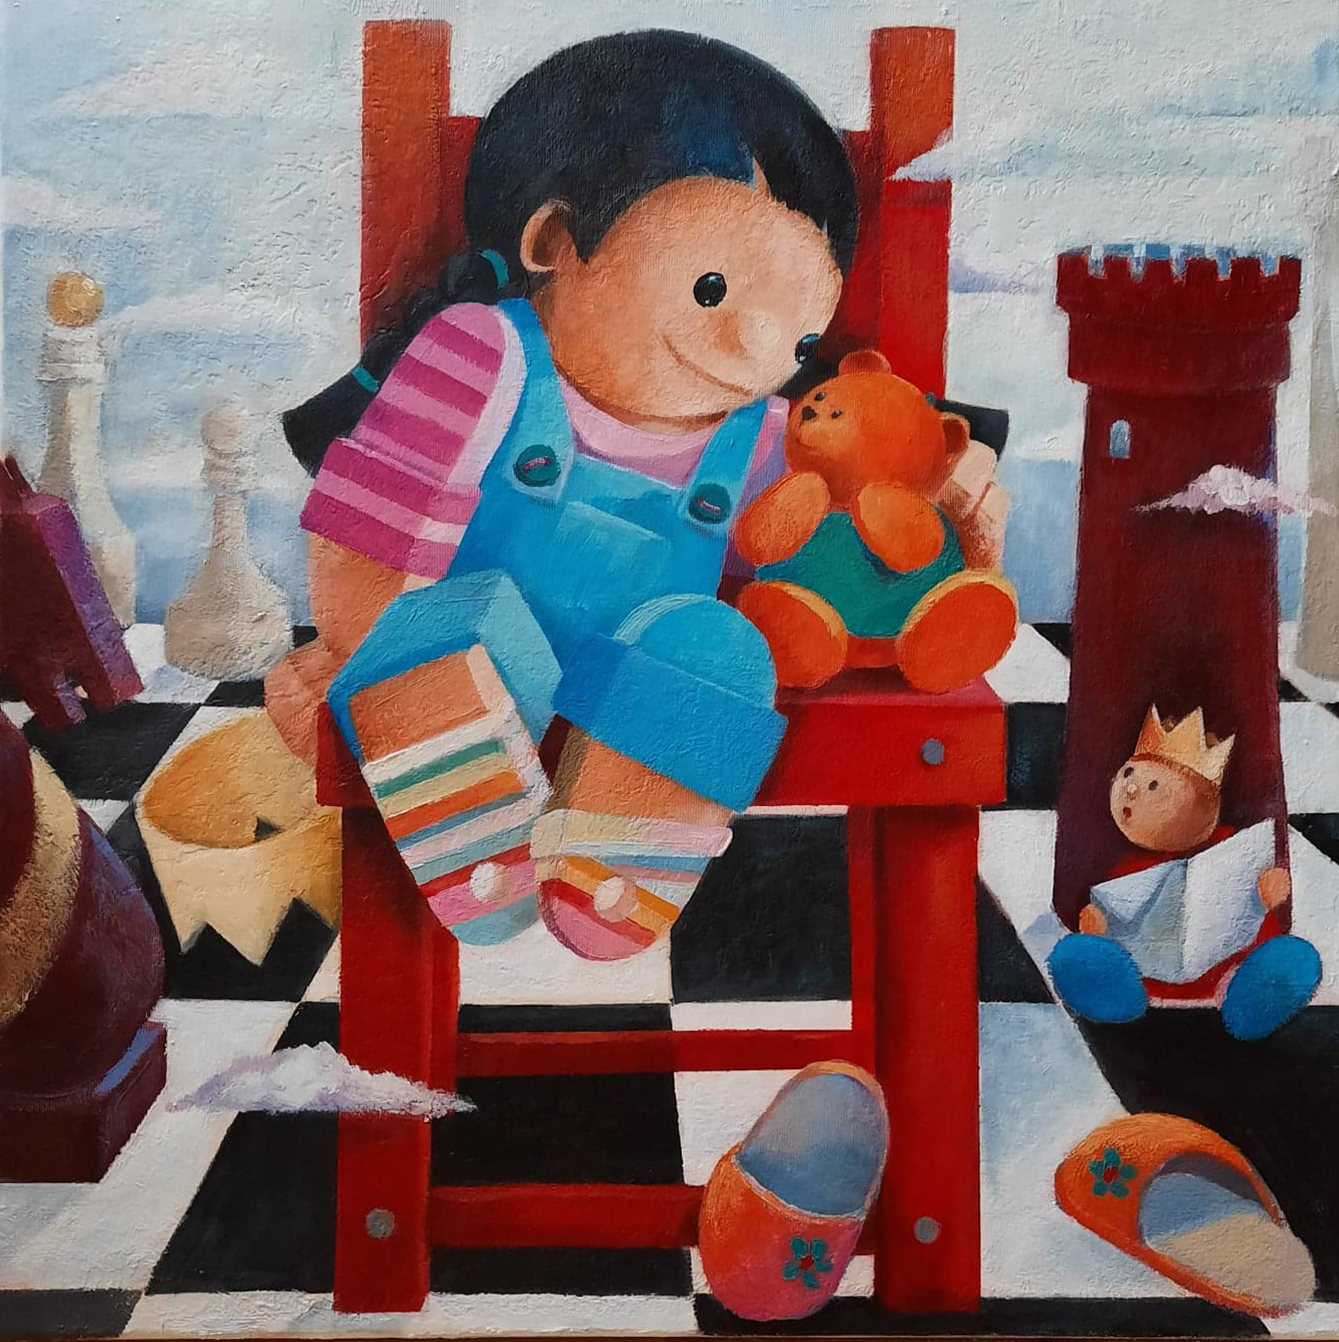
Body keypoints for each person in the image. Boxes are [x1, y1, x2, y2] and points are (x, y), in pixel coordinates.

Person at [267, 30, 1001, 959]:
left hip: (630, 700)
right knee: (445, 626)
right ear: (555, 242)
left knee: (717, 645)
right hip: (479, 670)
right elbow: (369, 533)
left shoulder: (768, 436)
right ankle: (472, 836)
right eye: (711, 289)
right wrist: (359, 650)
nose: (756, 352)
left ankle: (618, 868)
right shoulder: (480, 354)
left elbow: (837, 555)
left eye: (797, 338)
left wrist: (951, 525)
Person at [1047, 706, 1321, 1040]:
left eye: (1152, 785)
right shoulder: (1131, 868)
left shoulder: (1231, 849)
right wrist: (1097, 923)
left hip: (1228, 967)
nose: (1130, 791)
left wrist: (1268, 890)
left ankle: (1250, 998)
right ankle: (1119, 994)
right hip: (1145, 976)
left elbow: (1255, 893)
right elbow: (1113, 908)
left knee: (1292, 960)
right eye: (1128, 775)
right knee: (1075, 956)